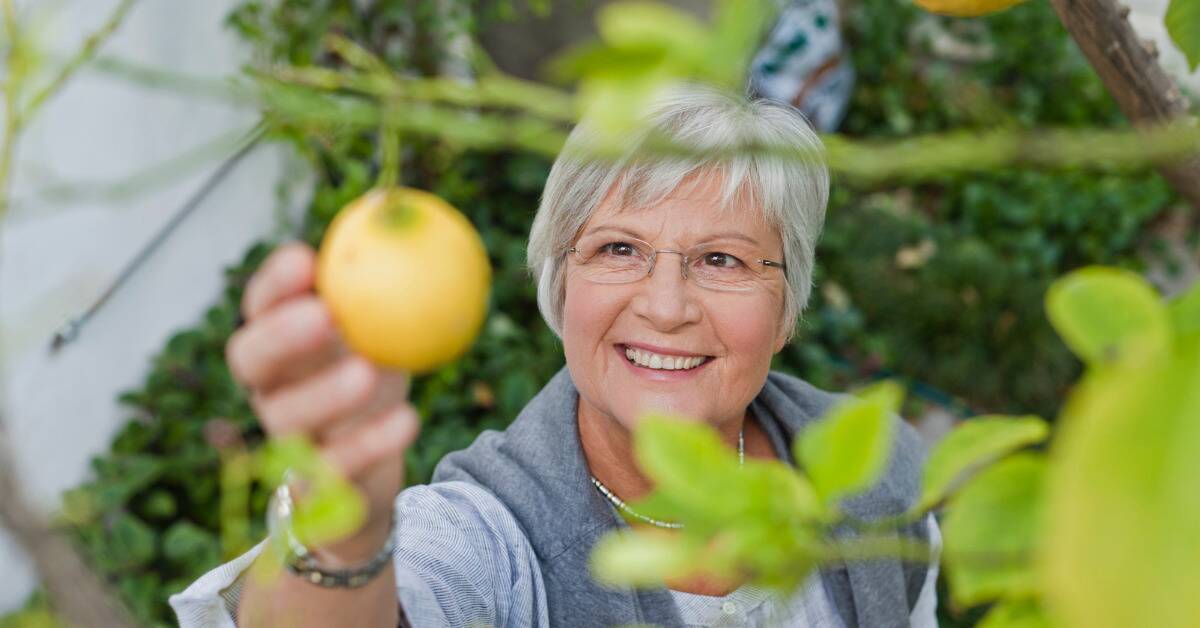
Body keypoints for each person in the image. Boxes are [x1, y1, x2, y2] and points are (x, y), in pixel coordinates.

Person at [170, 84, 940, 627]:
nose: (666, 306)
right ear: (560, 284)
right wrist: (343, 522)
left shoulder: (876, 466)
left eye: (722, 261)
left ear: (786, 308)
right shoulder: (493, 534)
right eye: (618, 248)